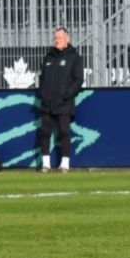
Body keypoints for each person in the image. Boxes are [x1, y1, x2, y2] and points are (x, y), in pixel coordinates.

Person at [36, 27, 84, 173]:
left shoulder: (74, 57)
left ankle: (65, 163)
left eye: (59, 38)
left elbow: (78, 80)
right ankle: (45, 164)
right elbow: (42, 78)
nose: (57, 40)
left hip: (64, 102)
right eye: (55, 38)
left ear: (67, 39)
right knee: (45, 132)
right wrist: (43, 94)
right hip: (47, 103)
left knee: (64, 132)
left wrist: (66, 95)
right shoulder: (48, 57)